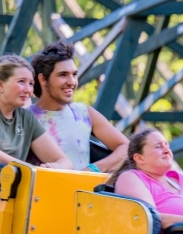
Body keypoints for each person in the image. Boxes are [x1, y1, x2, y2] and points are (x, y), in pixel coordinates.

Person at [0, 56, 72, 233]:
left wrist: (53, 168)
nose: (28, 90)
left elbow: (64, 160)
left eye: (30, 84)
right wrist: (27, 168)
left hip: (11, 190)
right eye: (21, 82)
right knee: (28, 214)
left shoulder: (25, 118)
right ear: (0, 84)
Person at [30, 41, 128, 172]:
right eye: (63, 75)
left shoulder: (84, 112)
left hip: (85, 190)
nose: (72, 82)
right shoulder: (24, 117)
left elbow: (126, 147)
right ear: (42, 79)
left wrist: (93, 169)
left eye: (74, 74)